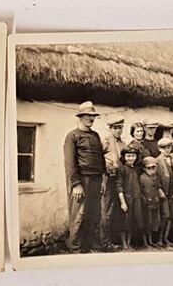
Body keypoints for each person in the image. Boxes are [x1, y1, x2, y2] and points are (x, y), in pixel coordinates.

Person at [63, 101, 106, 253]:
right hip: (81, 180)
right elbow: (70, 163)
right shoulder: (72, 136)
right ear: (80, 117)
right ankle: (75, 248)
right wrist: (76, 184)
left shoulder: (95, 135)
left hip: (96, 180)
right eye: (87, 116)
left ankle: (93, 246)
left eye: (93, 116)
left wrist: (102, 180)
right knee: (79, 215)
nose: (91, 119)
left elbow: (100, 158)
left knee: (94, 214)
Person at [101, 117, 125, 249]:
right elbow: (98, 157)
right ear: (110, 129)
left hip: (119, 178)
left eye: (120, 127)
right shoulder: (105, 141)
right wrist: (107, 166)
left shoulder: (123, 143)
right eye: (115, 128)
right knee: (107, 210)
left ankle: (114, 240)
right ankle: (104, 242)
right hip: (108, 178)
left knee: (116, 210)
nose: (118, 130)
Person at [115, 146, 144, 250]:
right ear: (124, 157)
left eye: (133, 156)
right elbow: (119, 186)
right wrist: (123, 202)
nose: (131, 158)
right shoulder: (121, 169)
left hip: (136, 199)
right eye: (128, 156)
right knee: (124, 222)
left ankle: (129, 242)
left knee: (133, 221)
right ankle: (124, 244)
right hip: (126, 199)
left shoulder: (137, 169)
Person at [155, 138, 173, 248]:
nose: (167, 150)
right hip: (163, 193)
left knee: (171, 217)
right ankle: (159, 240)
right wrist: (159, 190)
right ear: (160, 149)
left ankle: (166, 238)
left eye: (169, 147)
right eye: (165, 148)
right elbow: (155, 178)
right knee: (165, 216)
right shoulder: (157, 161)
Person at [139, 157, 164, 247]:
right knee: (146, 223)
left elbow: (157, 187)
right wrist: (144, 199)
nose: (151, 170)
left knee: (155, 222)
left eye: (153, 168)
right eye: (148, 168)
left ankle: (151, 240)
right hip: (146, 204)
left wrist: (160, 195)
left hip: (155, 203)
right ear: (144, 168)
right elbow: (139, 191)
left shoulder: (155, 177)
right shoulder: (142, 178)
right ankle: (146, 242)